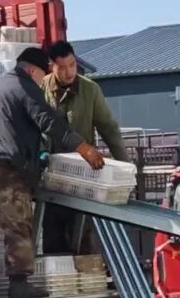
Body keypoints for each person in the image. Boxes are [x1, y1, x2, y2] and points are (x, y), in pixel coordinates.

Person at [0, 47, 105, 298]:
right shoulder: (24, 86)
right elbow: (49, 121)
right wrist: (84, 148)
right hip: (4, 171)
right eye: (42, 75)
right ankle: (19, 284)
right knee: (18, 226)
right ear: (33, 70)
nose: (42, 81)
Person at [41, 40, 129, 254]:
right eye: (62, 67)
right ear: (52, 66)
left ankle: (85, 271)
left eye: (72, 65)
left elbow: (109, 128)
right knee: (52, 235)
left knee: (82, 234)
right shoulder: (41, 88)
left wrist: (125, 169)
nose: (69, 72)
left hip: (82, 175)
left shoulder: (90, 90)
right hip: (51, 175)